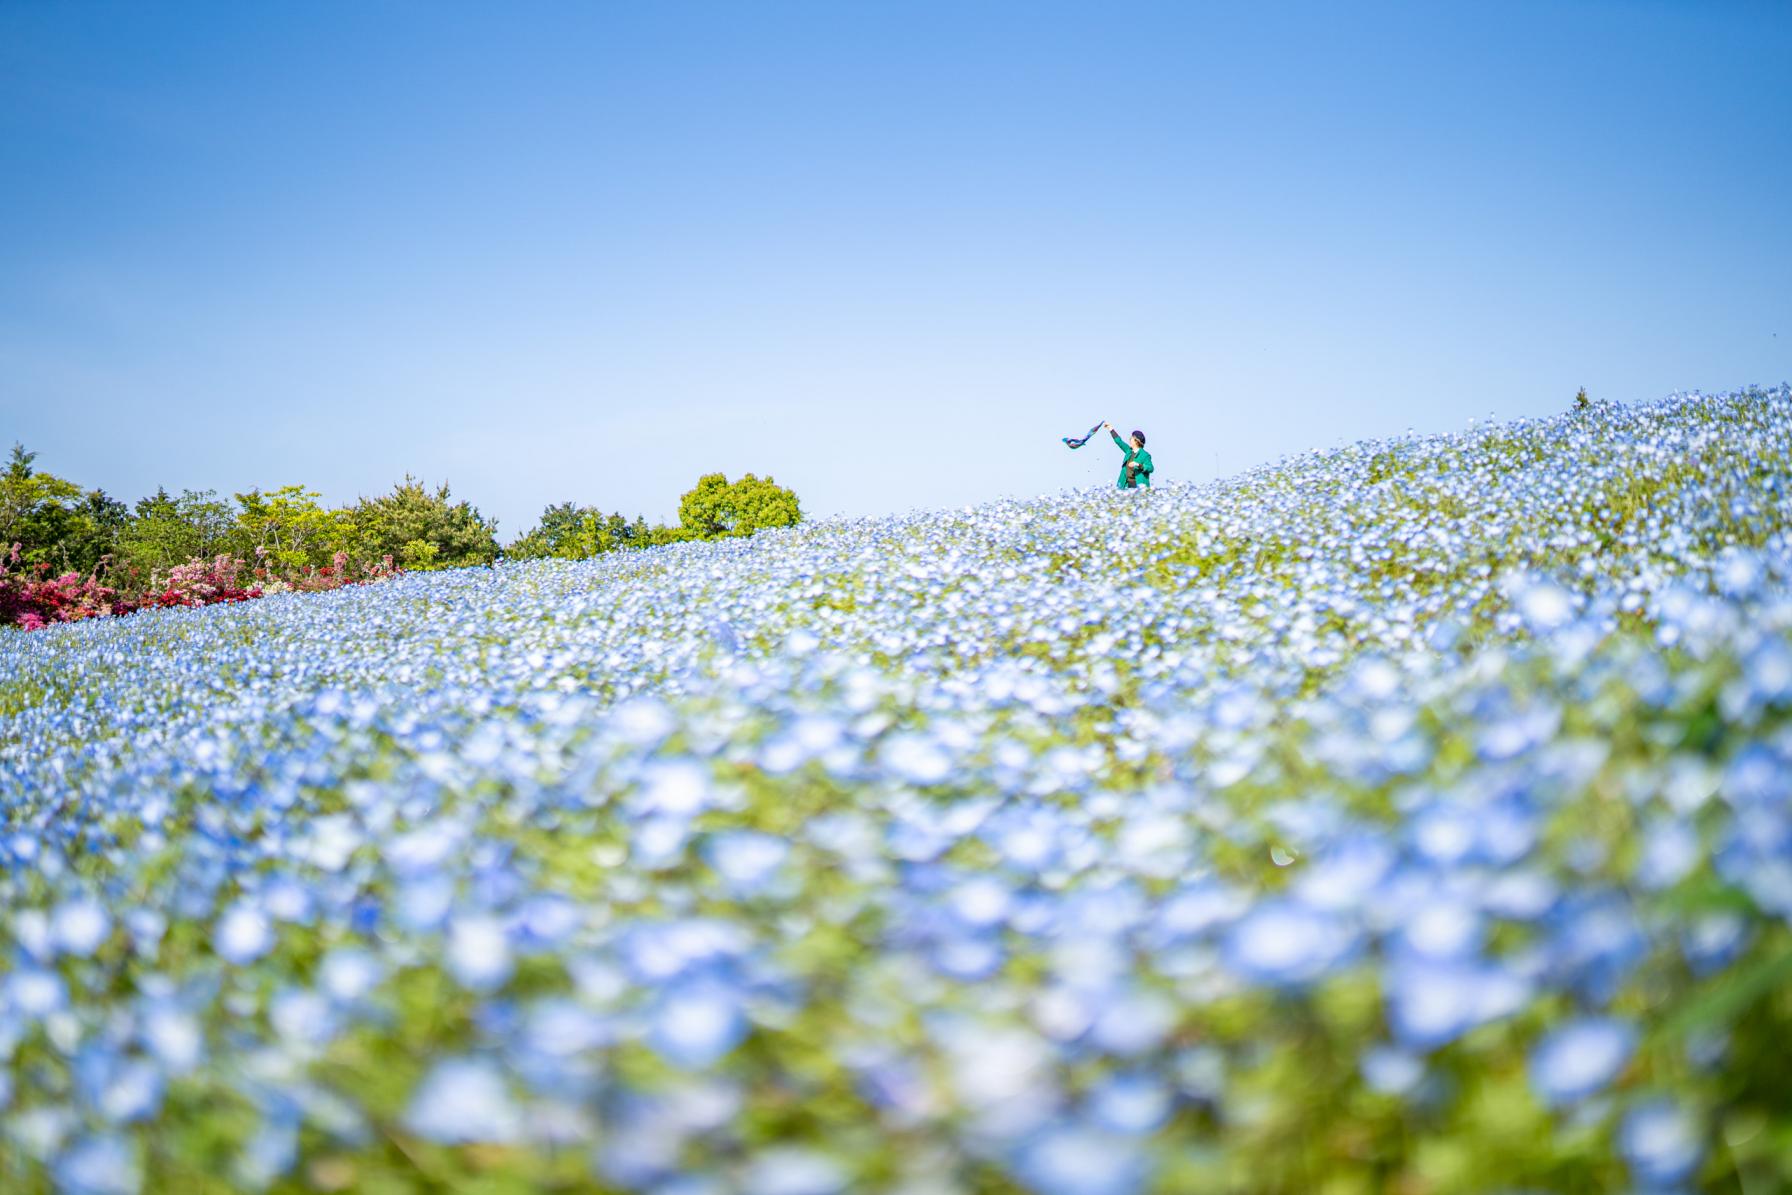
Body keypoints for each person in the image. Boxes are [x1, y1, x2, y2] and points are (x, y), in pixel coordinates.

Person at [1103, 422, 1153, 489]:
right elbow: (1119, 441)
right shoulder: (1128, 451)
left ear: (1136, 441)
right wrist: (1110, 429)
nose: (1129, 439)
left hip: (1138, 487)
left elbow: (1150, 468)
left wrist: (1138, 465)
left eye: (1131, 438)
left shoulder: (1145, 455)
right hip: (1126, 485)